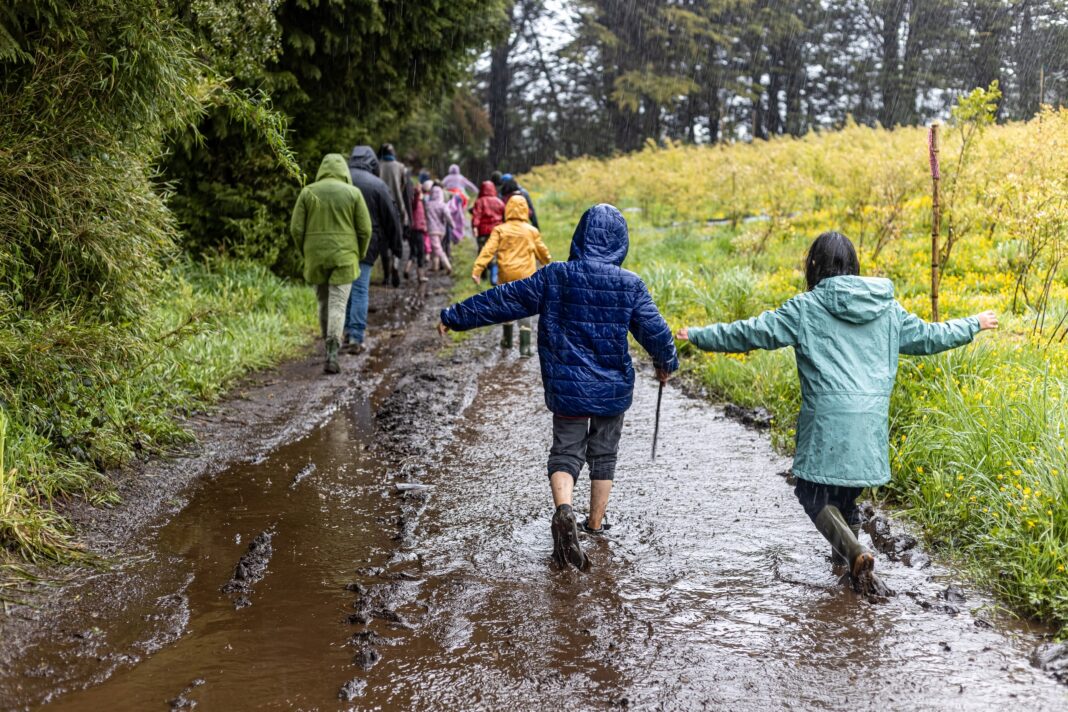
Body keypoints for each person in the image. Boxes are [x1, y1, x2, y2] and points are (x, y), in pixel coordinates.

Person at [676, 231, 998, 592]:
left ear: (815, 266)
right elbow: (930, 337)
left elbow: (752, 333)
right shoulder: (887, 309)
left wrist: (701, 335)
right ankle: (851, 574)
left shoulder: (805, 308)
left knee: (812, 496)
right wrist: (974, 323)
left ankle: (853, 551)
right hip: (870, 426)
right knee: (846, 499)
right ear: (853, 265)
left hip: (827, 422)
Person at [438, 204, 678, 571]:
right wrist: (666, 364)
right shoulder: (630, 284)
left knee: (566, 451)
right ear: (621, 242)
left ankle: (564, 510)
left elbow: (504, 300)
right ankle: (595, 525)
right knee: (604, 453)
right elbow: (656, 332)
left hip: (567, 388)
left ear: (579, 237)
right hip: (612, 390)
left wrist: (455, 317)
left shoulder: (556, 276)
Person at [289, 154, 372, 374]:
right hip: (345, 258)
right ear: (344, 170)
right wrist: (359, 253)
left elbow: (296, 229)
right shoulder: (353, 193)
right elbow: (365, 230)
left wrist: (306, 251)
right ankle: (332, 352)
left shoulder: (308, 192)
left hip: (315, 257)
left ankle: (328, 345)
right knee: (338, 304)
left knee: (323, 303)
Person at [471, 195, 550, 356]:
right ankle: (525, 347)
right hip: (526, 276)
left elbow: (488, 251)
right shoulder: (531, 231)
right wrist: (548, 263)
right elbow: (542, 251)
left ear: (507, 209)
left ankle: (507, 341)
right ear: (525, 210)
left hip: (506, 274)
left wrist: (477, 270)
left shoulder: (500, 230)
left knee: (507, 305)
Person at [344, 145, 403, 353]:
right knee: (360, 288)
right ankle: (356, 337)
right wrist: (397, 247)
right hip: (367, 244)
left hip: (341, 244)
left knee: (344, 289)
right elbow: (392, 217)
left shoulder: (341, 179)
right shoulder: (377, 184)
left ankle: (343, 332)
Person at [378, 143, 412, 286]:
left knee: (383, 243)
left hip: (380, 208)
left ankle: (386, 276)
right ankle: (396, 266)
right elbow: (405, 189)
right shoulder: (401, 167)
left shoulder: (377, 166)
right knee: (396, 242)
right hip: (396, 208)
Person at [471, 180, 506, 286]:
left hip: (483, 232)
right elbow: (504, 216)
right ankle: (494, 275)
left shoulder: (479, 201)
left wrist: (475, 227)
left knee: (482, 251)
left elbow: (476, 215)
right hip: (496, 231)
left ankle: (483, 274)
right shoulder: (499, 202)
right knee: (495, 252)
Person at [425, 185, 452, 274]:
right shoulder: (443, 205)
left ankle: (447, 265)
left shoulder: (428, 204)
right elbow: (448, 216)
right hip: (441, 230)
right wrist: (452, 225)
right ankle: (435, 266)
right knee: (435, 247)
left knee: (437, 248)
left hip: (432, 230)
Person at [407, 182, 429, 283]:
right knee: (420, 252)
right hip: (418, 230)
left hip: (412, 229)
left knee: (413, 252)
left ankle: (406, 269)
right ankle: (420, 276)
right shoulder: (416, 201)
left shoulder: (411, 201)